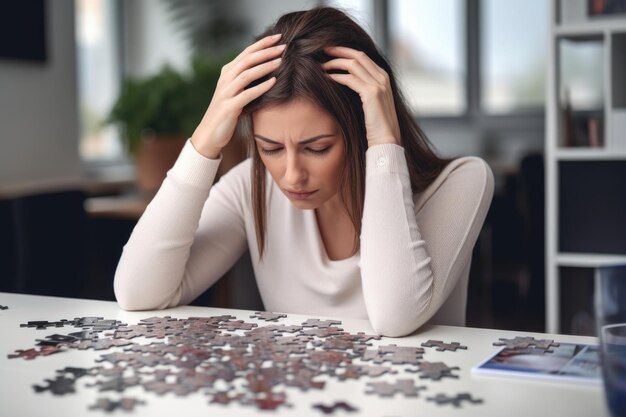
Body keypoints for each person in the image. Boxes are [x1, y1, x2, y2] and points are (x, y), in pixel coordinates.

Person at [114, 6, 494, 337]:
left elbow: (395, 316)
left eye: (317, 148)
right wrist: (205, 141)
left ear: (361, 126)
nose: (292, 175)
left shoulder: (462, 182)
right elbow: (136, 292)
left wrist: (383, 144)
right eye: (271, 148)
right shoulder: (252, 186)